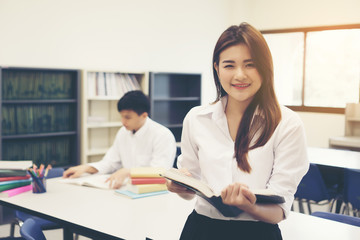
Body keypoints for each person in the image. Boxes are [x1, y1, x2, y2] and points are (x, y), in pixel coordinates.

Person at [166, 23, 309, 240]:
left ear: (265, 67)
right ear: (217, 68)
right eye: (229, 65)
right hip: (201, 229)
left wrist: (247, 205)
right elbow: (192, 185)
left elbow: (278, 211)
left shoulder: (287, 124)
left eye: (250, 65)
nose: (239, 75)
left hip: (258, 233)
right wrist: (178, 186)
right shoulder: (196, 119)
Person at [63, 90, 176, 189]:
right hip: (127, 190)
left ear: (144, 116)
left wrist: (128, 172)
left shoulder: (162, 135)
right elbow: (110, 163)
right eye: (121, 116)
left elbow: (161, 172)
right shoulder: (123, 132)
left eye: (127, 117)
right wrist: (87, 168)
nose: (122, 121)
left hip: (154, 193)